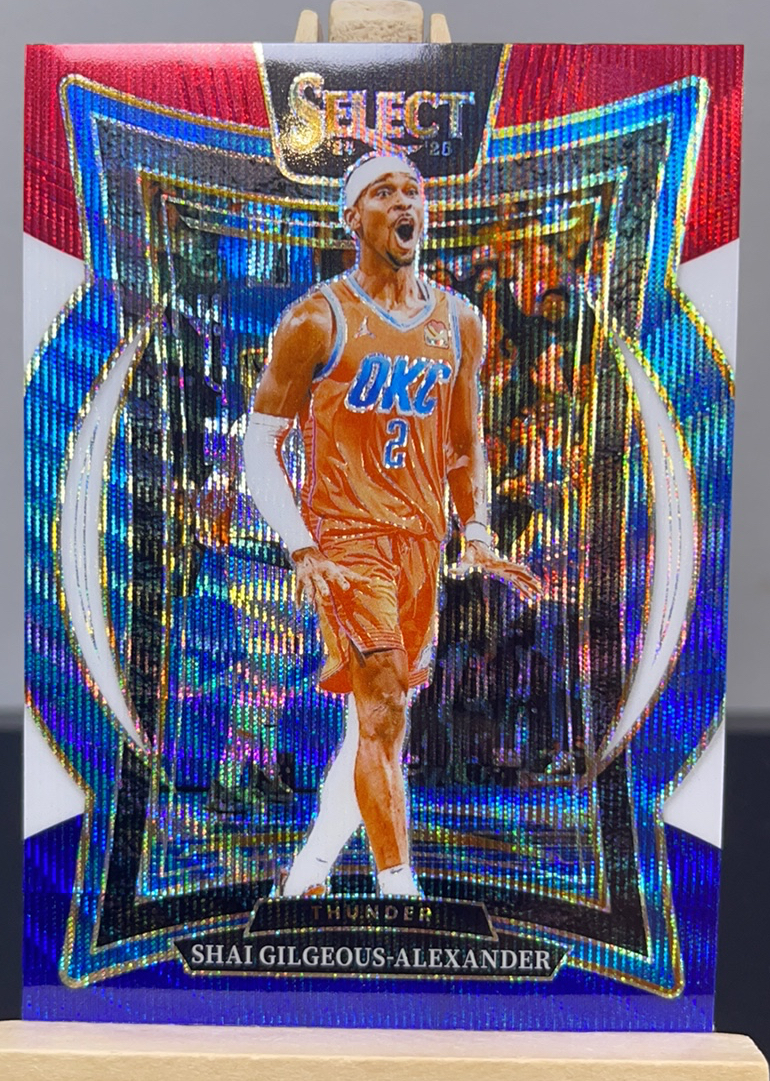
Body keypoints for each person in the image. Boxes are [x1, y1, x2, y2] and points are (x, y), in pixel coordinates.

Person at [242, 153, 540, 898]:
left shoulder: (459, 320)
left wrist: (477, 530)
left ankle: (307, 873)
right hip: (348, 542)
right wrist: (301, 545)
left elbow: (463, 444)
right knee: (382, 708)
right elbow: (258, 442)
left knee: (374, 725)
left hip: (420, 544)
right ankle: (398, 889)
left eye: (413, 191)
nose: (405, 202)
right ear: (354, 216)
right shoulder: (317, 318)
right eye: (384, 192)